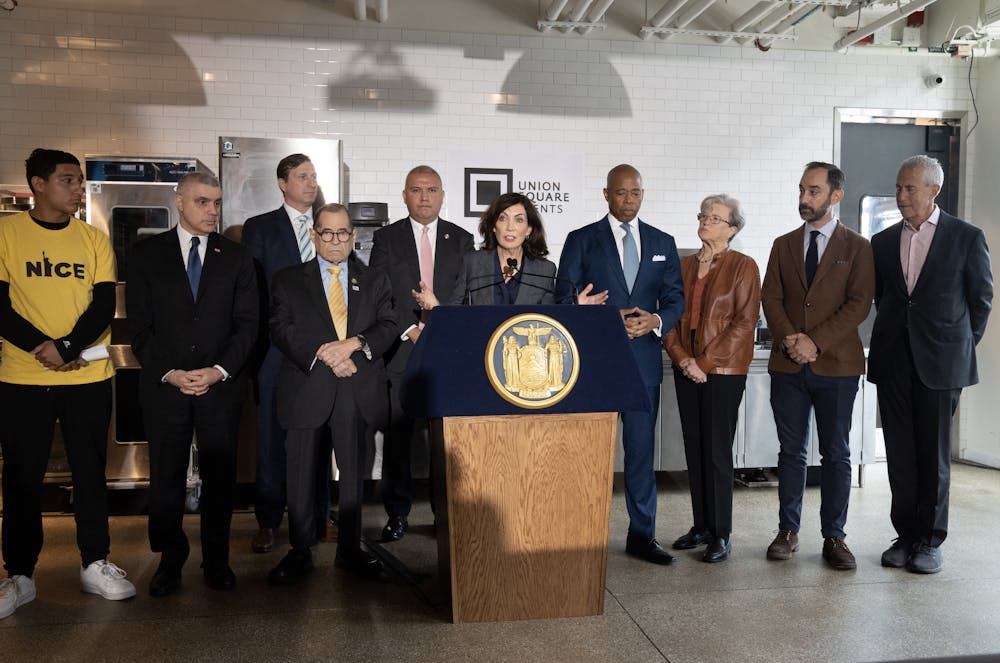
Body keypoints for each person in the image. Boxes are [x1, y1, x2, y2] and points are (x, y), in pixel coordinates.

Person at [0, 148, 136, 619]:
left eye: (80, 181)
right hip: (21, 377)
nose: (79, 189)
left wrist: (69, 347)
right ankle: (19, 575)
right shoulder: (6, 233)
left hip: (87, 377)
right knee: (21, 477)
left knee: (89, 473)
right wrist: (44, 346)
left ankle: (95, 562)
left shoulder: (93, 239)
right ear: (37, 184)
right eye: (68, 180)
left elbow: (102, 305)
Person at [127, 171, 258, 596]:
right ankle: (170, 559)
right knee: (166, 478)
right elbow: (140, 328)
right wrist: (170, 372)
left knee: (220, 478)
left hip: (220, 387)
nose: (212, 211)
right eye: (203, 202)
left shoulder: (237, 258)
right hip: (167, 386)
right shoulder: (147, 255)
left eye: (217, 203)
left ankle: (217, 561)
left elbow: (247, 325)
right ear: (179, 202)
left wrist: (219, 370)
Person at [868, 155, 992, 574]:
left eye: (910, 188)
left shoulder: (966, 237)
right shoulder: (882, 241)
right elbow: (884, 297)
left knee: (933, 456)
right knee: (900, 456)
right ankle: (904, 537)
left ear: (933, 190)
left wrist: (954, 346)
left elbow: (980, 303)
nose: (901, 196)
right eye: (899, 188)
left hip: (941, 365)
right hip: (894, 364)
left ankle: (930, 540)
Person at [556, 164, 684, 565]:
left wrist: (656, 320)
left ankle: (642, 535)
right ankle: (580, 534)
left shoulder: (663, 241)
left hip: (644, 364)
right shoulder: (581, 240)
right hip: (596, 364)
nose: (628, 200)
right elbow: (563, 300)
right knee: (588, 454)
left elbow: (676, 299)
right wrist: (609, 318)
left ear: (642, 195)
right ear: (606, 194)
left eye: (635, 193)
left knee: (641, 453)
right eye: (621, 193)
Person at [267, 203, 397, 583]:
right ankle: (299, 550)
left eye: (343, 233)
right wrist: (328, 354)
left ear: (353, 236)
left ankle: (350, 550)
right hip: (308, 386)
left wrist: (354, 343)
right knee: (302, 471)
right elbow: (280, 327)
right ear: (314, 235)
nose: (335, 241)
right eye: (327, 233)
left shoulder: (375, 279)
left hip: (355, 389)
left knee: (354, 474)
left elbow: (389, 324)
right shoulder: (288, 279)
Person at [760, 161, 874, 571]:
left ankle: (835, 537)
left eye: (813, 191)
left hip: (837, 367)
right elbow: (770, 297)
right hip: (788, 366)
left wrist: (815, 341)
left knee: (836, 453)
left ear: (835, 195)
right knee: (790, 451)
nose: (804, 199)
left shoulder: (858, 247)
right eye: (802, 191)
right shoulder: (783, 244)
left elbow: (859, 303)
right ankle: (787, 531)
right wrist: (792, 339)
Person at [368, 165, 474, 542]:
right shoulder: (386, 239)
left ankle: (444, 516)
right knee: (399, 438)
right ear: (404, 196)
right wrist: (410, 329)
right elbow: (379, 292)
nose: (424, 196)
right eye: (416, 190)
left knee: (444, 442)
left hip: (445, 353)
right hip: (401, 351)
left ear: (443, 195)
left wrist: (439, 329)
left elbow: (465, 295)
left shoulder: (461, 240)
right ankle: (397, 514)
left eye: (432, 190)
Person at [242, 153, 334, 554]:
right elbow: (252, 291)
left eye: (313, 176)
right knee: (272, 436)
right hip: (275, 351)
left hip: (326, 349)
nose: (310, 183)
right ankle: (268, 520)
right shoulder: (260, 228)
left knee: (321, 433)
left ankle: (320, 515)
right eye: (301, 177)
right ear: (282, 183)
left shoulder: (327, 227)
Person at [664, 194, 760, 563]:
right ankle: (701, 526)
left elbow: (744, 323)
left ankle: (721, 532)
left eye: (715, 218)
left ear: (732, 229)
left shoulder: (743, 266)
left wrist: (703, 361)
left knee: (717, 451)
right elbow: (669, 315)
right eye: (703, 215)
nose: (706, 221)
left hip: (722, 370)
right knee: (695, 448)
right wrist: (683, 358)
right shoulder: (683, 265)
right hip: (687, 366)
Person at [411, 192, 607, 308]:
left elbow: (550, 319)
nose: (510, 227)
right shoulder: (474, 262)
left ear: (529, 229)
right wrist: (436, 307)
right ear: (494, 226)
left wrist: (576, 307)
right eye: (503, 218)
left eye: (519, 220)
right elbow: (455, 312)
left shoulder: (545, 270)